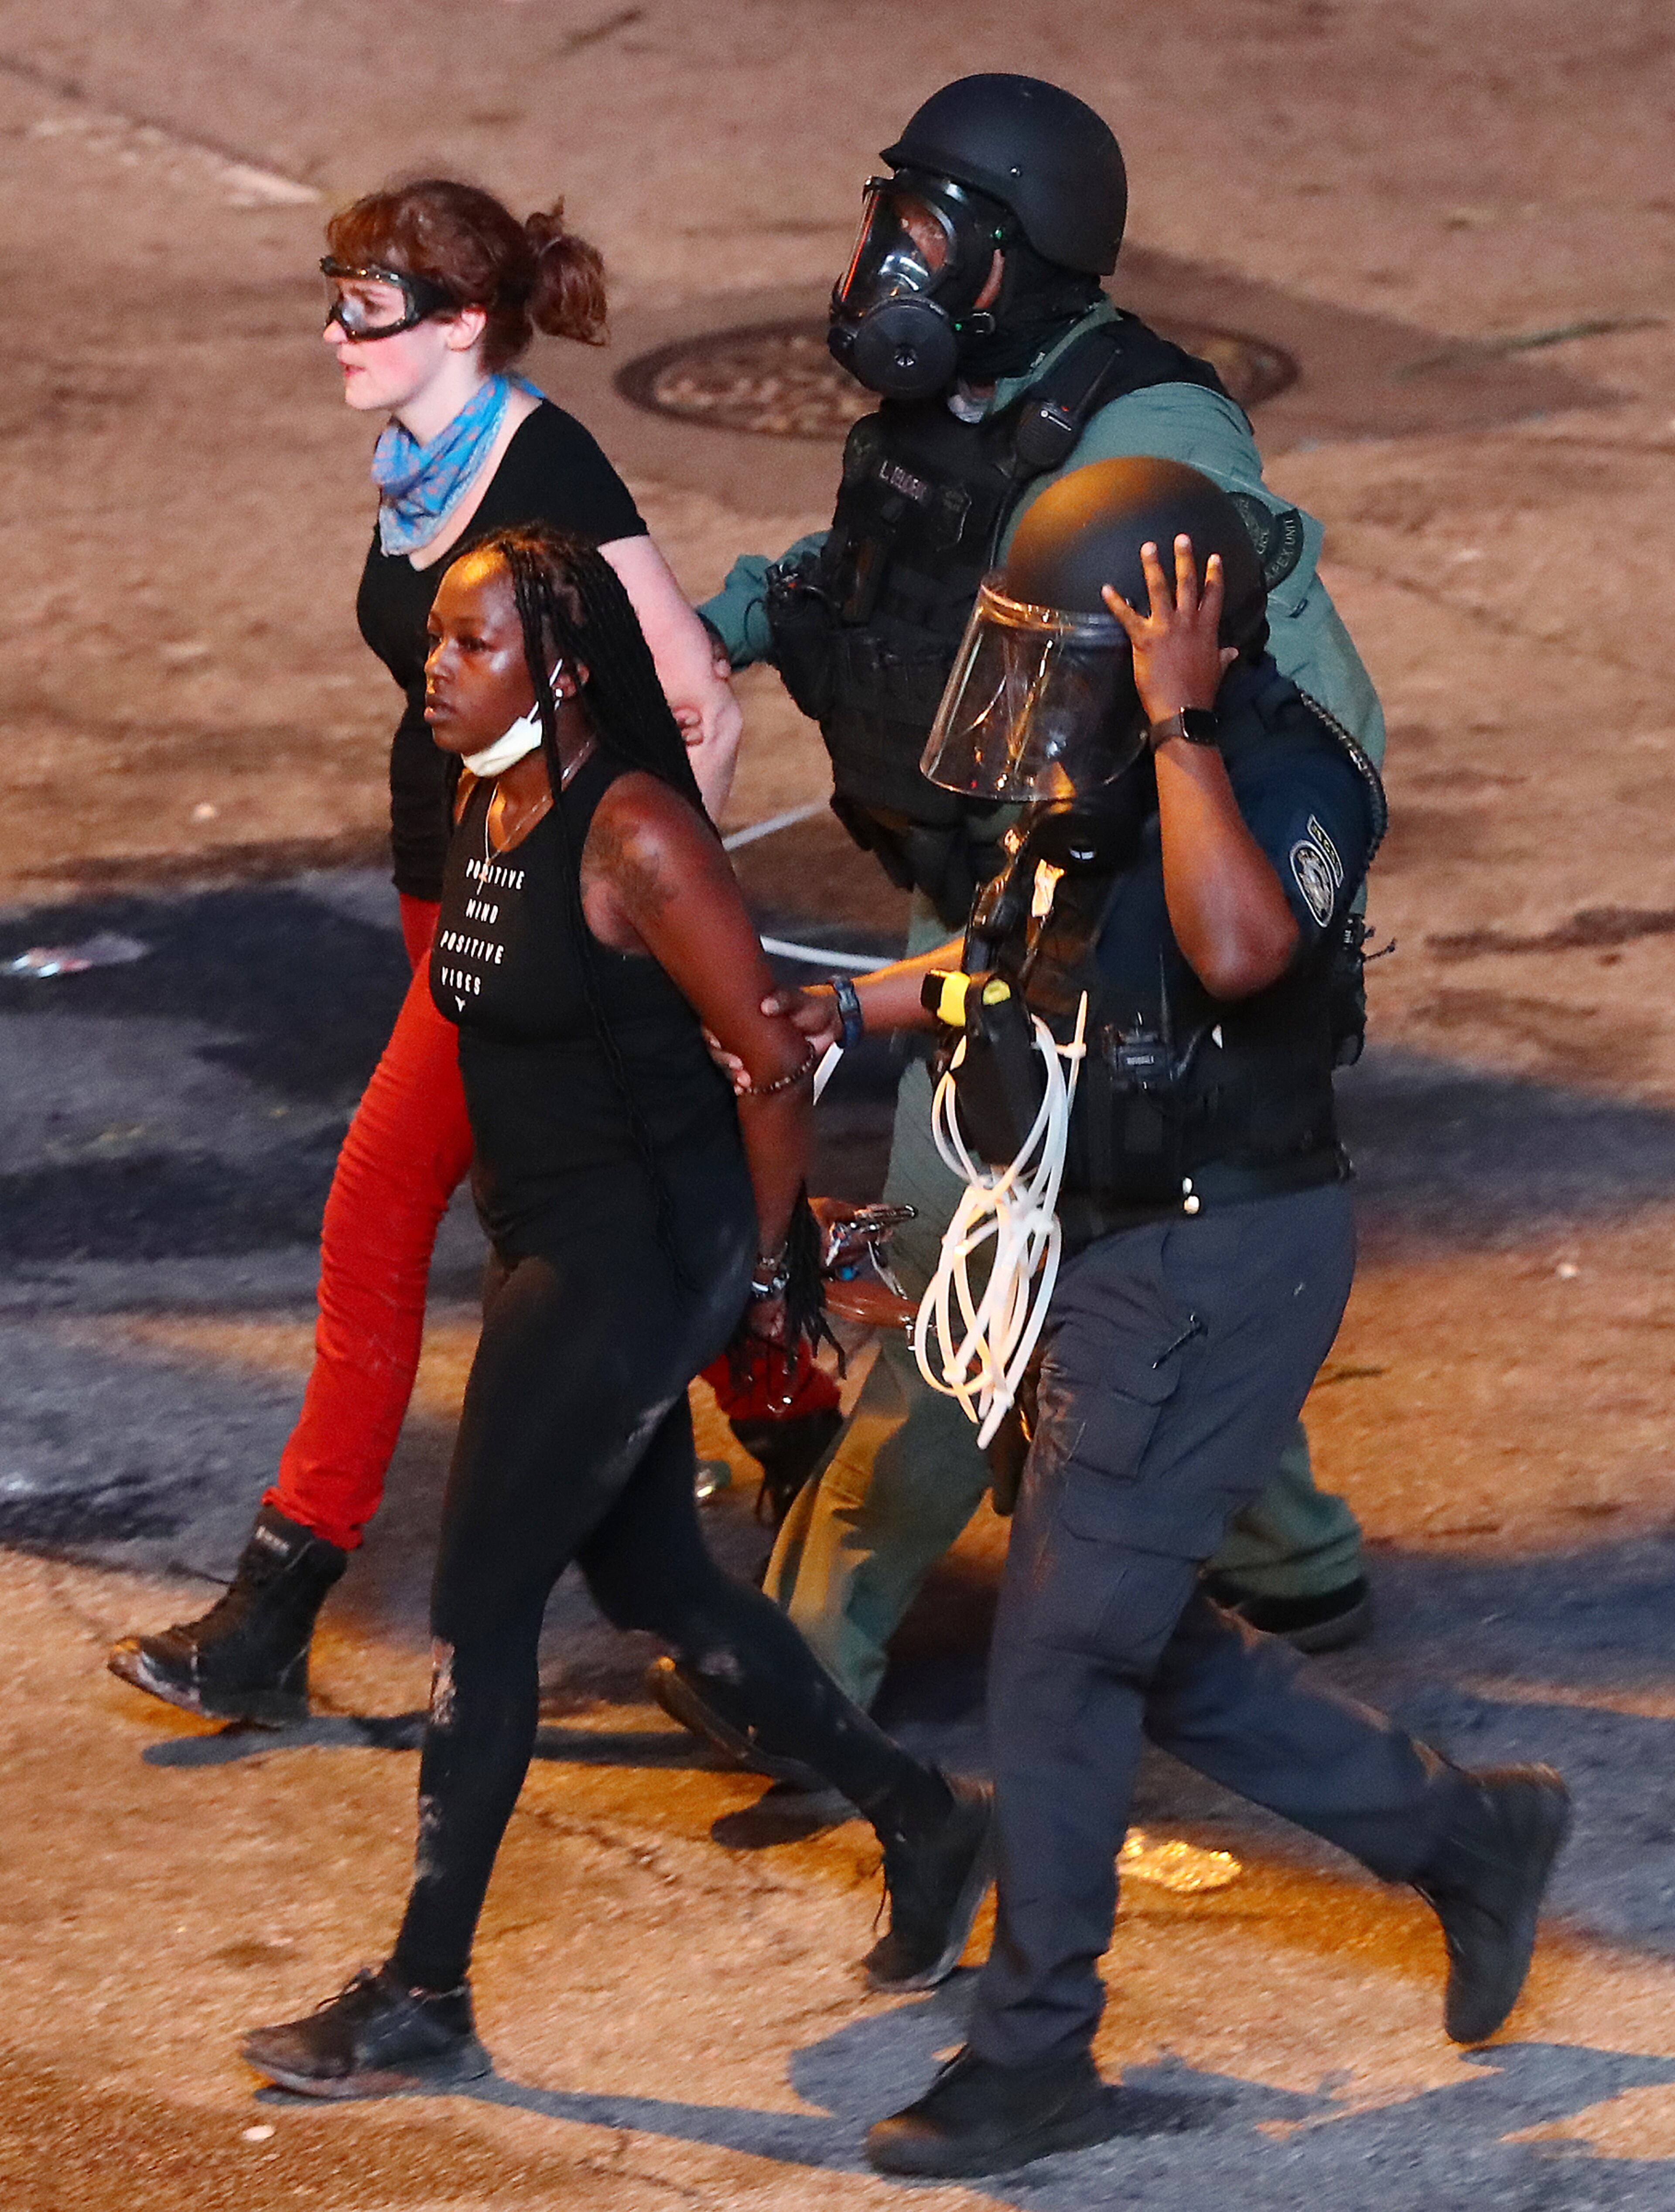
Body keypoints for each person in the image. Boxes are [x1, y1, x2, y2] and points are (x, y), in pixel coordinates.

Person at [752, 457, 1569, 2178]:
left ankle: (1037, 2046)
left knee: (1058, 1652)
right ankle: (1466, 1834)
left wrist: (1184, 729)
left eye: (1071, 658)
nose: (1034, 700)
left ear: (1168, 648)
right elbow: (1012, 962)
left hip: (1226, 1257)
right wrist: (848, 1011)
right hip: (1093, 1247)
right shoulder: (1088, 783)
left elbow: (1243, 949)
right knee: (1132, 1626)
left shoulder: (1279, 777)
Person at [682, 75, 1381, 1782]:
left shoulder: (1151, 446)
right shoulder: (961, 413)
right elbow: (886, 572)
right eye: (882, 221)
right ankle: (1293, 1553)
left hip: (1121, 895)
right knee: (1122, 1213)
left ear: (1013, 262)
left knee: (959, 1279)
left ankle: (808, 1657)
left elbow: (1223, 606)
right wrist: (729, 623)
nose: (878, 266)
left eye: (916, 234)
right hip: (1007, 869)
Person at [238, 526, 992, 2095]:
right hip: (553, 1248)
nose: (434, 672)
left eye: (470, 645)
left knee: (485, 1607)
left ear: (561, 664)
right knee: (658, 1574)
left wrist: (764, 1277)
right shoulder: (487, 799)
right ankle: (925, 1816)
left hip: (638, 1263)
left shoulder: (636, 838)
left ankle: (425, 1990)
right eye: (439, 644)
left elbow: (777, 1062)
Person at [107, 177, 833, 1726]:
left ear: (462, 323)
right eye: (336, 296)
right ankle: (800, 1427)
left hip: (531, 912)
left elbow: (702, 699)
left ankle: (274, 1607)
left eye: (364, 308)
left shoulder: (543, 470)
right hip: (450, 888)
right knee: (578, 1212)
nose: (333, 332)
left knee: (377, 1211)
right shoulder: (416, 459)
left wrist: (627, 910)